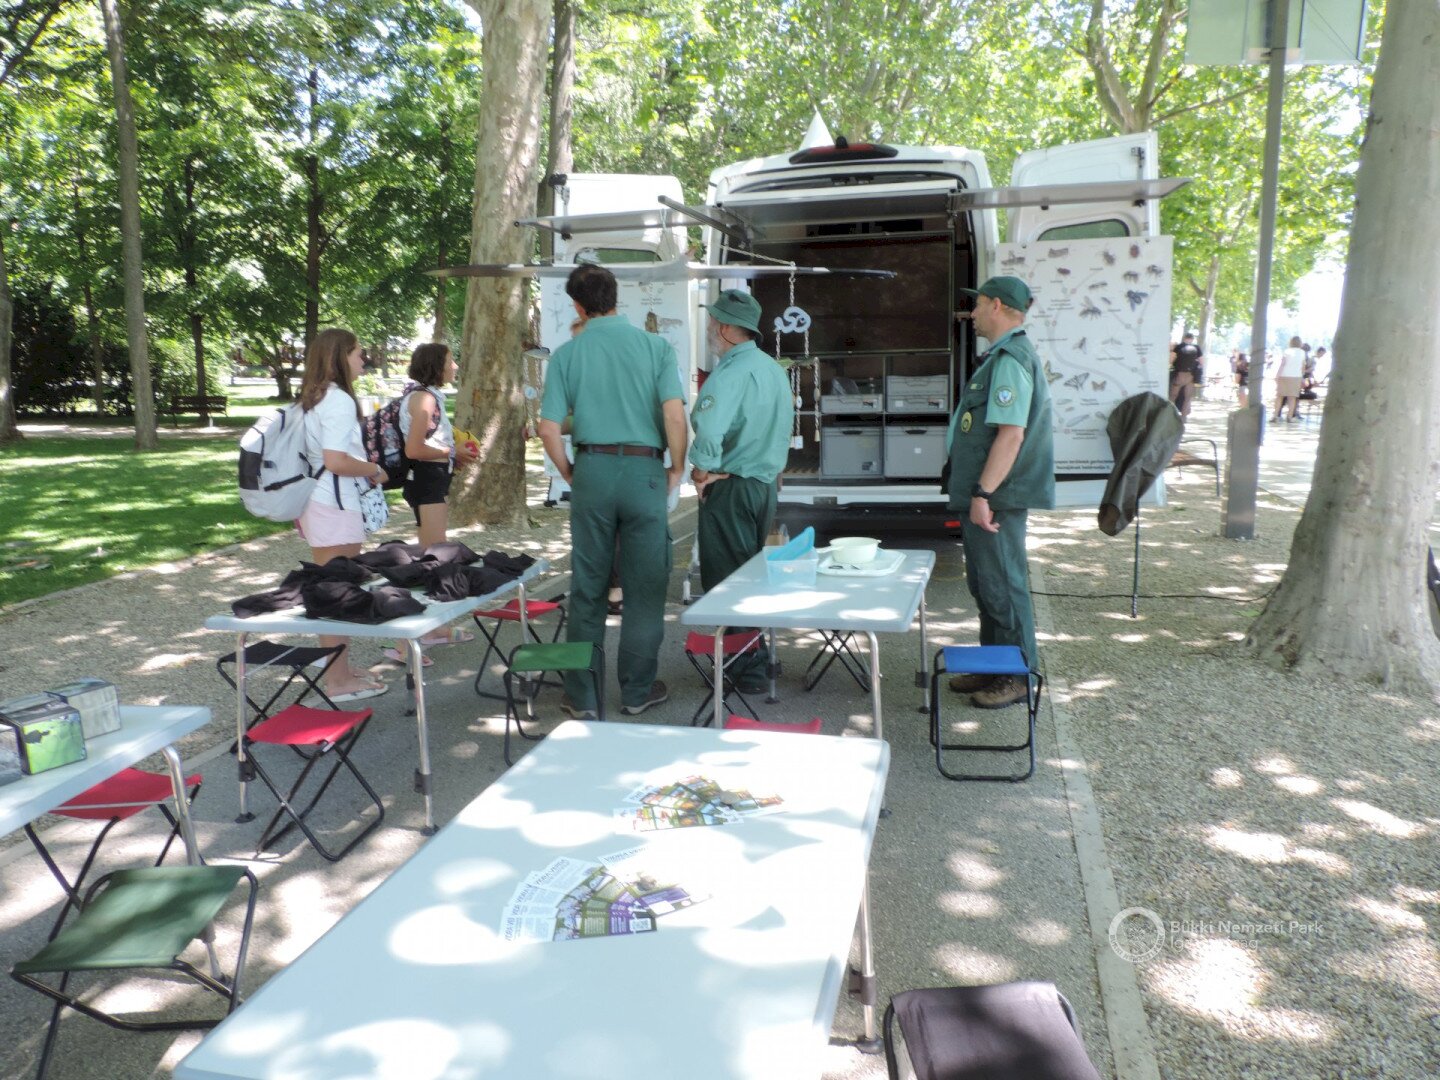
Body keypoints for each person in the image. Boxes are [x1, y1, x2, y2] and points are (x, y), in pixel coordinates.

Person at [537, 265, 688, 718]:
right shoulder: (655, 347)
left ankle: (582, 695)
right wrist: (677, 468)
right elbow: (674, 416)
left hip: (593, 470)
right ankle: (637, 691)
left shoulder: (567, 355)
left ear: (578, 306)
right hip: (645, 471)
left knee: (588, 587)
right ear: (616, 297)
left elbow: (548, 429)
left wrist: (569, 473)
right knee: (645, 587)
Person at [945, 276, 1054, 709]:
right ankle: (995, 665)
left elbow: (1011, 435)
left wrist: (982, 493)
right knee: (985, 584)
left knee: (1004, 586)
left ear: (994, 305)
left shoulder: (1010, 359)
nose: (971, 314)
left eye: (977, 305)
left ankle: (1017, 675)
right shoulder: (1000, 357)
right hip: (992, 494)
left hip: (998, 496)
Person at [688, 289, 794, 692]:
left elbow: (710, 430)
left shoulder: (730, 372)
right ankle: (753, 657)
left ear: (726, 328)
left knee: (727, 581)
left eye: (712, 323)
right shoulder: (772, 370)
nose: (709, 330)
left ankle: (747, 669)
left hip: (731, 487)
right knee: (748, 575)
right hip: (762, 487)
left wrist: (702, 472)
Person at [297, 327, 389, 702]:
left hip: (318, 502)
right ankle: (337, 681)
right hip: (334, 503)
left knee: (334, 587)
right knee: (336, 591)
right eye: (357, 353)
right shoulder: (337, 400)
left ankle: (341, 671)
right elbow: (336, 461)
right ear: (340, 357)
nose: (363, 359)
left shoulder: (314, 397)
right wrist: (374, 469)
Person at [382, 342, 481, 662]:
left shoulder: (425, 395)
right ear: (436, 365)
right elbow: (414, 449)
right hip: (426, 482)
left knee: (433, 557)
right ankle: (407, 642)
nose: (455, 367)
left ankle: (432, 630)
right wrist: (453, 451)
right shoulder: (423, 398)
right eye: (451, 361)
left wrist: (452, 455)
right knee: (434, 560)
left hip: (430, 480)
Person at [1168, 332, 1203, 423]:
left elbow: (1171, 359)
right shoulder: (1197, 348)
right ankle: (1184, 417)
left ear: (1184, 338)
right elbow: (1201, 362)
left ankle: (1170, 415)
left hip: (1180, 375)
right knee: (1187, 398)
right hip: (1191, 376)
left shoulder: (1179, 347)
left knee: (1173, 396)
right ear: (1192, 339)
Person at [1274, 335, 1306, 421]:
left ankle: (1275, 416)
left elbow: (1283, 364)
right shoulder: (1302, 353)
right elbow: (1303, 366)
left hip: (1284, 375)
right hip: (1296, 376)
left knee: (1280, 396)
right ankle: (1289, 417)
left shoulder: (1287, 351)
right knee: (1292, 397)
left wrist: (1277, 375)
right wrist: (1302, 377)